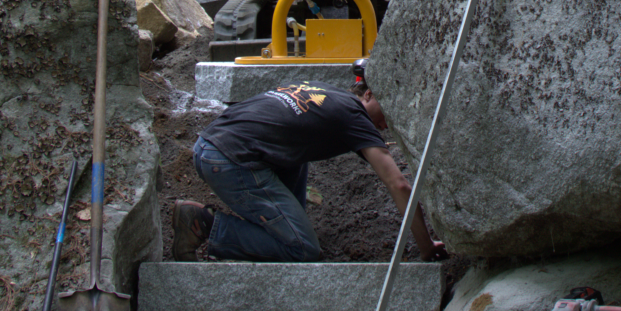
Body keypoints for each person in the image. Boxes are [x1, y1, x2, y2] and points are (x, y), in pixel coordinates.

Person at [172, 76, 448, 263]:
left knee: (298, 153)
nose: (387, 124)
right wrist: (426, 247)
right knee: (301, 249)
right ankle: (203, 225)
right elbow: (398, 185)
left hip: (211, 143)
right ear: (369, 93)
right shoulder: (355, 117)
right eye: (389, 113)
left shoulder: (324, 93)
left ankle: (282, 231)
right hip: (229, 159)